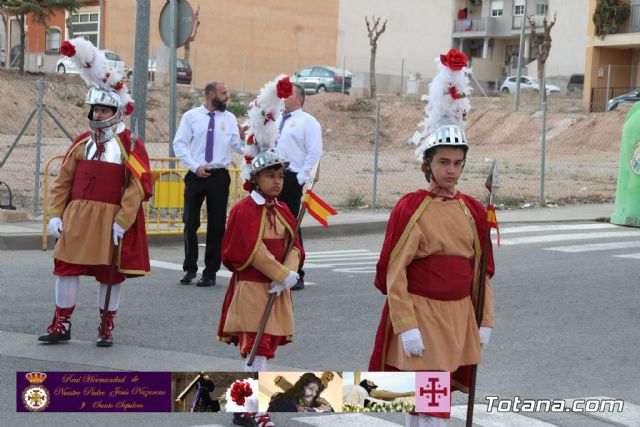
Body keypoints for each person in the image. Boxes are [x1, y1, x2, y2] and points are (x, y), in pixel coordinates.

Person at [369, 49, 495, 427]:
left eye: (458, 163)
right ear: (427, 164)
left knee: (431, 399)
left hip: (457, 317)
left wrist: (484, 320)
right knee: (426, 400)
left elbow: (481, 271)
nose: (452, 170)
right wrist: (406, 325)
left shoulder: (473, 209)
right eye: (444, 162)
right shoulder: (411, 208)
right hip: (422, 316)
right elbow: (394, 273)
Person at [39, 37, 152, 348]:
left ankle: (106, 327)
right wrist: (55, 215)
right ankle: (61, 324)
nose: (99, 114)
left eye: (104, 109)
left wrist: (123, 221)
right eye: (96, 109)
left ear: (115, 111)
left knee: (110, 275)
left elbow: (138, 187)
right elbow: (63, 181)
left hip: (110, 221)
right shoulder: (80, 142)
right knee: (65, 268)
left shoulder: (129, 144)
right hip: (77, 218)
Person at [219, 75, 299, 427]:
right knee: (255, 347)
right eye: (270, 176)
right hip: (253, 289)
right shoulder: (244, 209)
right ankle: (250, 409)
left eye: (280, 175)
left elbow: (295, 244)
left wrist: (291, 270)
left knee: (266, 347)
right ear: (256, 177)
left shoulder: (281, 209)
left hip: (276, 289)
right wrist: (281, 273)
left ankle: (247, 408)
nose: (277, 181)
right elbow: (247, 251)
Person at [173, 81, 244, 287]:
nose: (227, 97)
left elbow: (238, 147)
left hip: (219, 176)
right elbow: (179, 144)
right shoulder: (191, 117)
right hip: (196, 175)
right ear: (211, 94)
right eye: (224, 93)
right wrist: (195, 167)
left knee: (216, 225)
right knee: (190, 222)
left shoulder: (229, 118)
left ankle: (210, 272)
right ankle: (189, 268)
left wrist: (248, 139)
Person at [275, 83, 322, 290]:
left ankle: (297, 271)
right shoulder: (275, 118)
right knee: (272, 223)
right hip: (271, 177)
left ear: (299, 99)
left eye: (289, 94)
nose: (283, 97)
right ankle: (275, 267)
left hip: (291, 178)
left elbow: (314, 152)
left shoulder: (308, 122)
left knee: (291, 225)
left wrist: (301, 177)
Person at [267, 372, 333, 413]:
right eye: (311, 388)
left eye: (316, 391)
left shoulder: (305, 408)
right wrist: (317, 410)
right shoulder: (281, 399)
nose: (314, 394)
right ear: (301, 386)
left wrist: (329, 409)